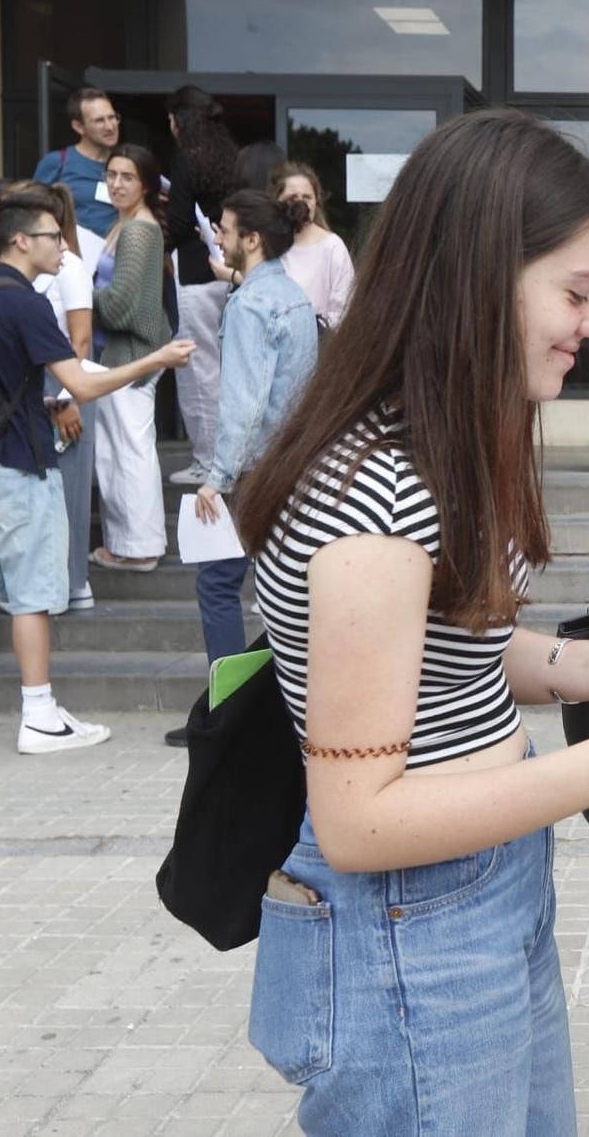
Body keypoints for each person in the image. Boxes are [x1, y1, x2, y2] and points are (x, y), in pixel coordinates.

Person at [233, 110, 589, 1135]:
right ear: (479, 277)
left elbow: (455, 654)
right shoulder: (375, 496)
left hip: (474, 889)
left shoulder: (439, 452)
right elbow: (358, 822)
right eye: (577, 290)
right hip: (407, 922)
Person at [0, 190, 195, 754]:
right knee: (31, 598)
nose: (63, 247)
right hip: (20, 467)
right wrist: (157, 358)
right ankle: (40, 716)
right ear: (22, 240)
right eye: (52, 237)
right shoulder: (24, 301)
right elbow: (85, 384)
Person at [167, 189, 319, 749]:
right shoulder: (292, 296)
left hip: (255, 468)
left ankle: (229, 717)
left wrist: (218, 476)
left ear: (252, 239)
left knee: (218, 582)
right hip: (290, 464)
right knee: (281, 588)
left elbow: (245, 402)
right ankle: (272, 711)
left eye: (225, 231)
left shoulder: (251, 303)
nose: (218, 240)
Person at [90, 144, 174, 572]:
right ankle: (129, 544)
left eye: (127, 177)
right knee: (118, 448)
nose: (117, 183)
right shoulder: (125, 223)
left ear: (145, 185)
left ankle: (140, 547)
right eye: (111, 174)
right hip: (125, 351)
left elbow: (120, 304)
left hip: (134, 350)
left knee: (130, 450)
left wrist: (76, 297)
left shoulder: (139, 231)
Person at [17, 181, 99, 612]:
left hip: (68, 385)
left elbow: (81, 341)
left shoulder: (70, 269)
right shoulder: (31, 269)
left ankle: (73, 583)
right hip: (39, 387)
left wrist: (69, 398)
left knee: (68, 490)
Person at [164, 85, 242, 487]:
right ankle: (228, 459)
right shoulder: (229, 157)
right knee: (226, 369)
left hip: (195, 274)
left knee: (198, 371)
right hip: (227, 274)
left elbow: (177, 222)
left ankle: (207, 461)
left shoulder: (185, 159)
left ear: (180, 120)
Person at [248, 160, 353, 329]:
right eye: (292, 198)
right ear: (277, 201)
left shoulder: (332, 247)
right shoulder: (266, 245)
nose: (300, 203)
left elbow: (343, 310)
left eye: (307, 197)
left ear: (316, 201)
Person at [32, 88, 121, 239]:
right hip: (73, 256)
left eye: (112, 117)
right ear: (78, 127)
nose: (110, 126)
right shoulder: (57, 162)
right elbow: (33, 214)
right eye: (99, 120)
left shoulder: (127, 163)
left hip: (120, 256)